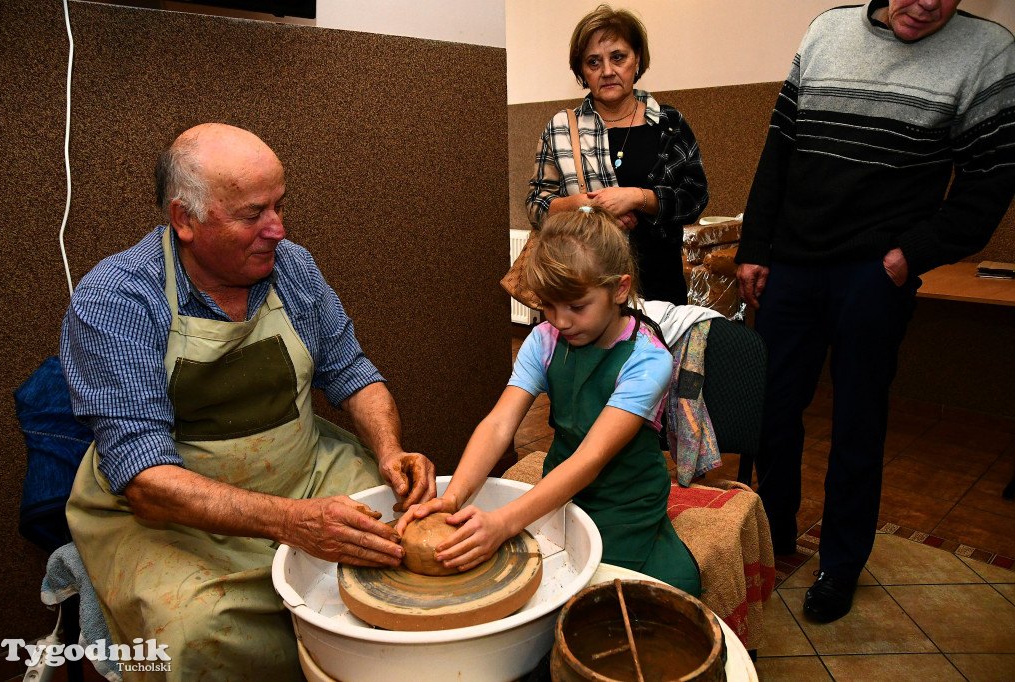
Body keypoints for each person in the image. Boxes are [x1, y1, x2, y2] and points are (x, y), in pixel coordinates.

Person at [60, 123, 436, 679]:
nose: (277, 230)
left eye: (280, 206)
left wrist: (387, 449)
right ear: (184, 219)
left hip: (306, 473)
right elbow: (146, 483)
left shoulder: (294, 269)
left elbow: (354, 374)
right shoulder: (116, 302)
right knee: (196, 630)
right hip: (180, 514)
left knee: (401, 551)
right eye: (252, 214)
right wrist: (290, 523)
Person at [735, 0, 1015, 624]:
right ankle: (776, 532)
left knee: (859, 422)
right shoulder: (826, 31)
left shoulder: (988, 53)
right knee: (773, 410)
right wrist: (757, 246)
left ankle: (840, 563)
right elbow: (779, 148)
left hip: (874, 274)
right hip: (794, 264)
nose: (926, 4)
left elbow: (990, 182)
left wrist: (910, 256)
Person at [398, 206, 701, 596]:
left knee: (630, 599)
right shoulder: (543, 341)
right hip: (560, 493)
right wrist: (453, 497)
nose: (560, 320)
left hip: (625, 506)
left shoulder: (648, 359)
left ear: (620, 289)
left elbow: (589, 458)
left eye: (576, 306)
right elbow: (498, 425)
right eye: (548, 304)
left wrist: (504, 523)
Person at [526, 4, 709, 305]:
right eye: (593, 62)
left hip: (659, 291)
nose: (607, 71)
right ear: (582, 71)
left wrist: (638, 198)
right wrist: (587, 206)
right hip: (585, 295)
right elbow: (535, 206)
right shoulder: (560, 128)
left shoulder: (669, 124)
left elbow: (695, 198)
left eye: (618, 57)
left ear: (637, 59)